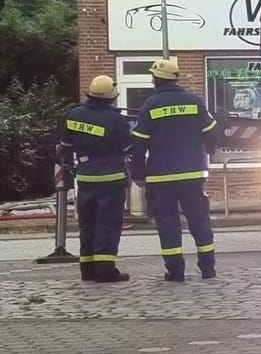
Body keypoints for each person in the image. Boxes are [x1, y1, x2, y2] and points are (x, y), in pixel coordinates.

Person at [130, 58, 221, 282]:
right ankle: (208, 268)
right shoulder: (194, 101)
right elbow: (212, 131)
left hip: (161, 177)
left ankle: (175, 271)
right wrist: (209, 151)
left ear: (157, 79)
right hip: (192, 174)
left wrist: (138, 175)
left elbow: (139, 144)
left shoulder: (150, 106)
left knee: (168, 223)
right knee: (199, 221)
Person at [57, 75, 134, 283]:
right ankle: (106, 271)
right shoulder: (116, 120)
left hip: (85, 178)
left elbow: (64, 147)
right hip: (111, 178)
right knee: (107, 224)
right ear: (111, 97)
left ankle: (87, 269)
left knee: (88, 224)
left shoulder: (73, 115)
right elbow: (128, 147)